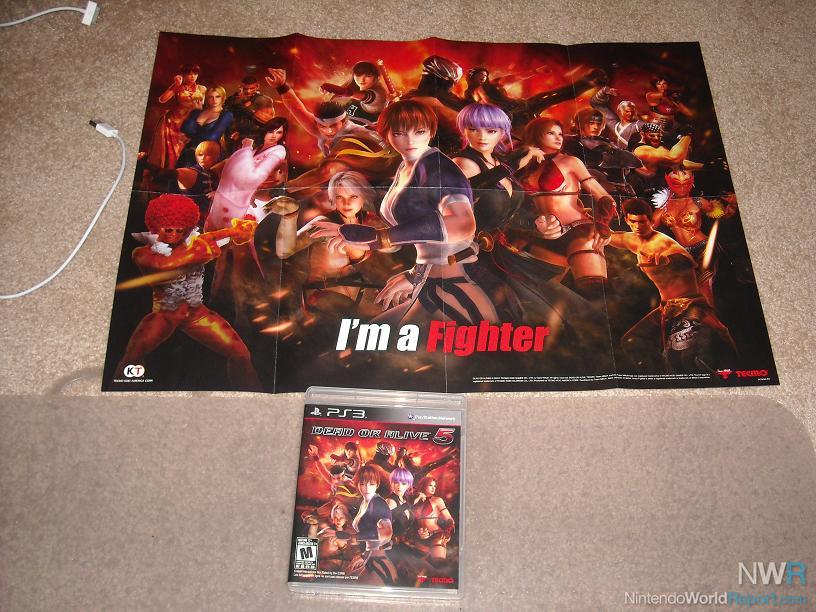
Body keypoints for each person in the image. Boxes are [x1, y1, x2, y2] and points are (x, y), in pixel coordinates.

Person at [312, 99, 499, 326]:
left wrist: (379, 237)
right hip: (430, 281)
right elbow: (427, 242)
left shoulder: (437, 169)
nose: (410, 141)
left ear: (431, 131)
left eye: (419, 132)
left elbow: (462, 224)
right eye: (399, 133)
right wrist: (415, 273)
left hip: (453, 285)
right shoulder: (407, 166)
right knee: (372, 338)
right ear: (386, 134)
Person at [114, 194, 262, 391]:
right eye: (168, 229)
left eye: (180, 230)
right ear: (155, 227)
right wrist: (201, 251)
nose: (174, 234)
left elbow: (228, 234)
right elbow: (167, 265)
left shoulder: (197, 242)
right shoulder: (143, 253)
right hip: (164, 315)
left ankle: (251, 394)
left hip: (196, 314)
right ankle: (117, 395)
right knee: (133, 357)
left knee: (241, 354)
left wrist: (242, 230)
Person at [607, 198, 735, 373]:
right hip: (665, 308)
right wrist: (595, 218)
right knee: (632, 341)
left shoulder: (662, 242)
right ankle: (657, 377)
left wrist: (665, 260)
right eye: (633, 222)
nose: (637, 226)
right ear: (627, 220)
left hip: (689, 305)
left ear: (650, 220)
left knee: (685, 358)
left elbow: (685, 260)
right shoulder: (632, 239)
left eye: (642, 222)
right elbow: (608, 236)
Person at [515, 117, 617, 303]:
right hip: (542, 235)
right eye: (551, 133)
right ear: (536, 134)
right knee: (536, 297)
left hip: (578, 231)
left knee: (595, 291)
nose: (558, 138)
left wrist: (603, 224)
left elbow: (604, 197)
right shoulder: (524, 165)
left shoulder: (570, 161)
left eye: (560, 134)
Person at [265, 68, 399, 197]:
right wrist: (282, 86)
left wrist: (285, 188)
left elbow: (326, 171)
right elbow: (297, 109)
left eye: (334, 126)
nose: (328, 131)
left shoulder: (350, 141)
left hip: (385, 179)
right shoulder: (322, 128)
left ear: (344, 121)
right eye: (322, 126)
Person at [652, 166, 738, 306]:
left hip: (703, 249)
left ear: (692, 180)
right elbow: (648, 228)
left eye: (686, 183)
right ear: (668, 181)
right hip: (683, 254)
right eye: (677, 183)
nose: (682, 187)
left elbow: (721, 213)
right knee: (687, 292)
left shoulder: (697, 201)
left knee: (704, 289)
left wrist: (732, 207)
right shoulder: (664, 206)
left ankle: (712, 318)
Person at [146, 63, 206, 169]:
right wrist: (175, 85)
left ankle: (180, 173)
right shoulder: (177, 86)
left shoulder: (202, 89)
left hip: (190, 123)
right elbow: (162, 99)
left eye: (195, 73)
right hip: (174, 123)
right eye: (189, 74)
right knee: (172, 152)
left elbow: (201, 107)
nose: (192, 76)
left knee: (187, 150)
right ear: (183, 75)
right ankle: (167, 173)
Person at [349, 465, 397, 584]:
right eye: (362, 484)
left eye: (371, 484)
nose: (367, 488)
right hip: (369, 556)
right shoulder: (365, 502)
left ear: (377, 484)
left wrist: (357, 537)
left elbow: (386, 532)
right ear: (357, 484)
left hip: (378, 560)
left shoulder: (378, 503)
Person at [629, 123, 702, 198]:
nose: (656, 138)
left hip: (663, 190)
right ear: (642, 134)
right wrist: (688, 135)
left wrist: (703, 166)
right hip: (648, 194)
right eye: (652, 136)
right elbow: (674, 158)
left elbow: (677, 163)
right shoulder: (640, 150)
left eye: (658, 136)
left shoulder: (660, 146)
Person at [178, 86, 234, 168]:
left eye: (217, 96)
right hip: (189, 153)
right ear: (206, 98)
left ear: (223, 98)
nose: (214, 100)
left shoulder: (226, 115)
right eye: (211, 97)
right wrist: (196, 112)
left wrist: (193, 133)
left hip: (209, 155)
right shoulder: (197, 111)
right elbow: (185, 129)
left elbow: (212, 137)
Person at [320, 61, 388, 125]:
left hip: (366, 132)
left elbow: (367, 97)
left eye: (368, 76)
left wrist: (340, 91)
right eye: (358, 75)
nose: (362, 79)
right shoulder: (352, 88)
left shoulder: (380, 95)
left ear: (376, 77)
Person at [412, 477, 455, 563]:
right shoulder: (414, 501)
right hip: (419, 537)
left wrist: (447, 532)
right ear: (423, 485)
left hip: (436, 535)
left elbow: (450, 519)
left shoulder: (437, 500)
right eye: (430, 485)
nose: (433, 488)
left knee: (439, 564)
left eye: (434, 486)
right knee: (419, 567)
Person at [590, 85, 645, 150]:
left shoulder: (638, 125)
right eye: (627, 111)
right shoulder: (614, 125)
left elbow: (652, 127)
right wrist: (604, 91)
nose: (630, 114)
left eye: (632, 112)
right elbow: (596, 104)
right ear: (620, 111)